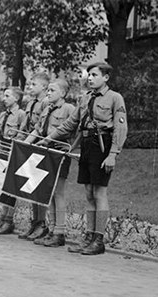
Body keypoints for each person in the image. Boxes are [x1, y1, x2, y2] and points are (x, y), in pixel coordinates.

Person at [38, 62, 128, 255]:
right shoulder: (85, 98)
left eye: (95, 75)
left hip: (102, 146)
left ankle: (99, 239)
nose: (90, 78)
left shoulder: (114, 98)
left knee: (99, 193)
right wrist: (48, 139)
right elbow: (71, 124)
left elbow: (121, 128)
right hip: (87, 146)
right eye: (89, 75)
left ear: (105, 78)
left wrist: (113, 154)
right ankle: (89, 235)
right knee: (88, 193)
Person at [24, 79, 75, 247]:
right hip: (44, 151)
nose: (48, 93)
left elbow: (75, 130)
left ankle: (59, 231)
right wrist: (25, 144)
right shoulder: (46, 109)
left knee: (58, 192)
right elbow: (38, 129)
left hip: (59, 152)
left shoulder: (69, 109)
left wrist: (71, 148)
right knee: (50, 192)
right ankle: (52, 230)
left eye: (52, 90)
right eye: (49, 90)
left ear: (63, 93)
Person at [0, 87, 27, 235]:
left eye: (7, 96)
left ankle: (9, 220)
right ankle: (3, 218)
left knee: (11, 188)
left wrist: (15, 150)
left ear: (16, 98)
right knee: (2, 187)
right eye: (4, 96)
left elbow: (23, 134)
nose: (3, 98)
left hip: (12, 155)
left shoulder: (22, 115)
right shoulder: (2, 115)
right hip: (0, 154)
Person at [19, 72, 51, 241]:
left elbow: (42, 127)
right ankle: (35, 221)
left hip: (41, 147)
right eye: (29, 84)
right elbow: (26, 125)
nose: (30, 87)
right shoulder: (31, 103)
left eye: (33, 85)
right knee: (31, 186)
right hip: (30, 146)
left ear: (44, 87)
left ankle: (42, 224)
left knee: (40, 187)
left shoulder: (46, 102)